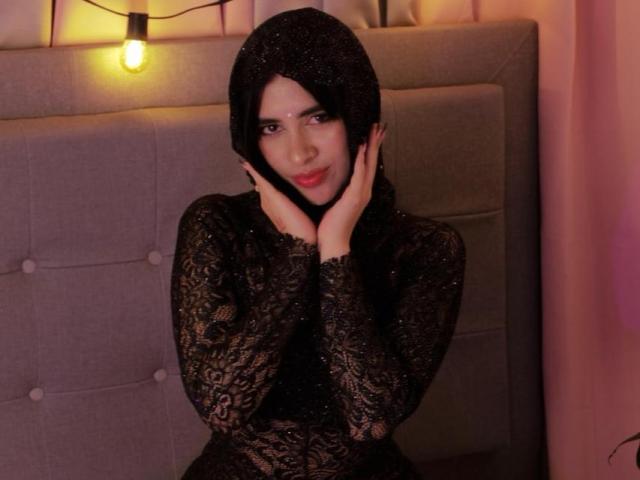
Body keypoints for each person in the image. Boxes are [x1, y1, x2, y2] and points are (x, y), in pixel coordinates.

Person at [171, 7, 465, 480]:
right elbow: (221, 407)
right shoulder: (216, 225)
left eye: (318, 117)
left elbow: (371, 418)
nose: (299, 152)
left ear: (360, 119)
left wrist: (335, 249)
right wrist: (297, 251)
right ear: (248, 141)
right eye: (271, 127)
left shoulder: (426, 249)